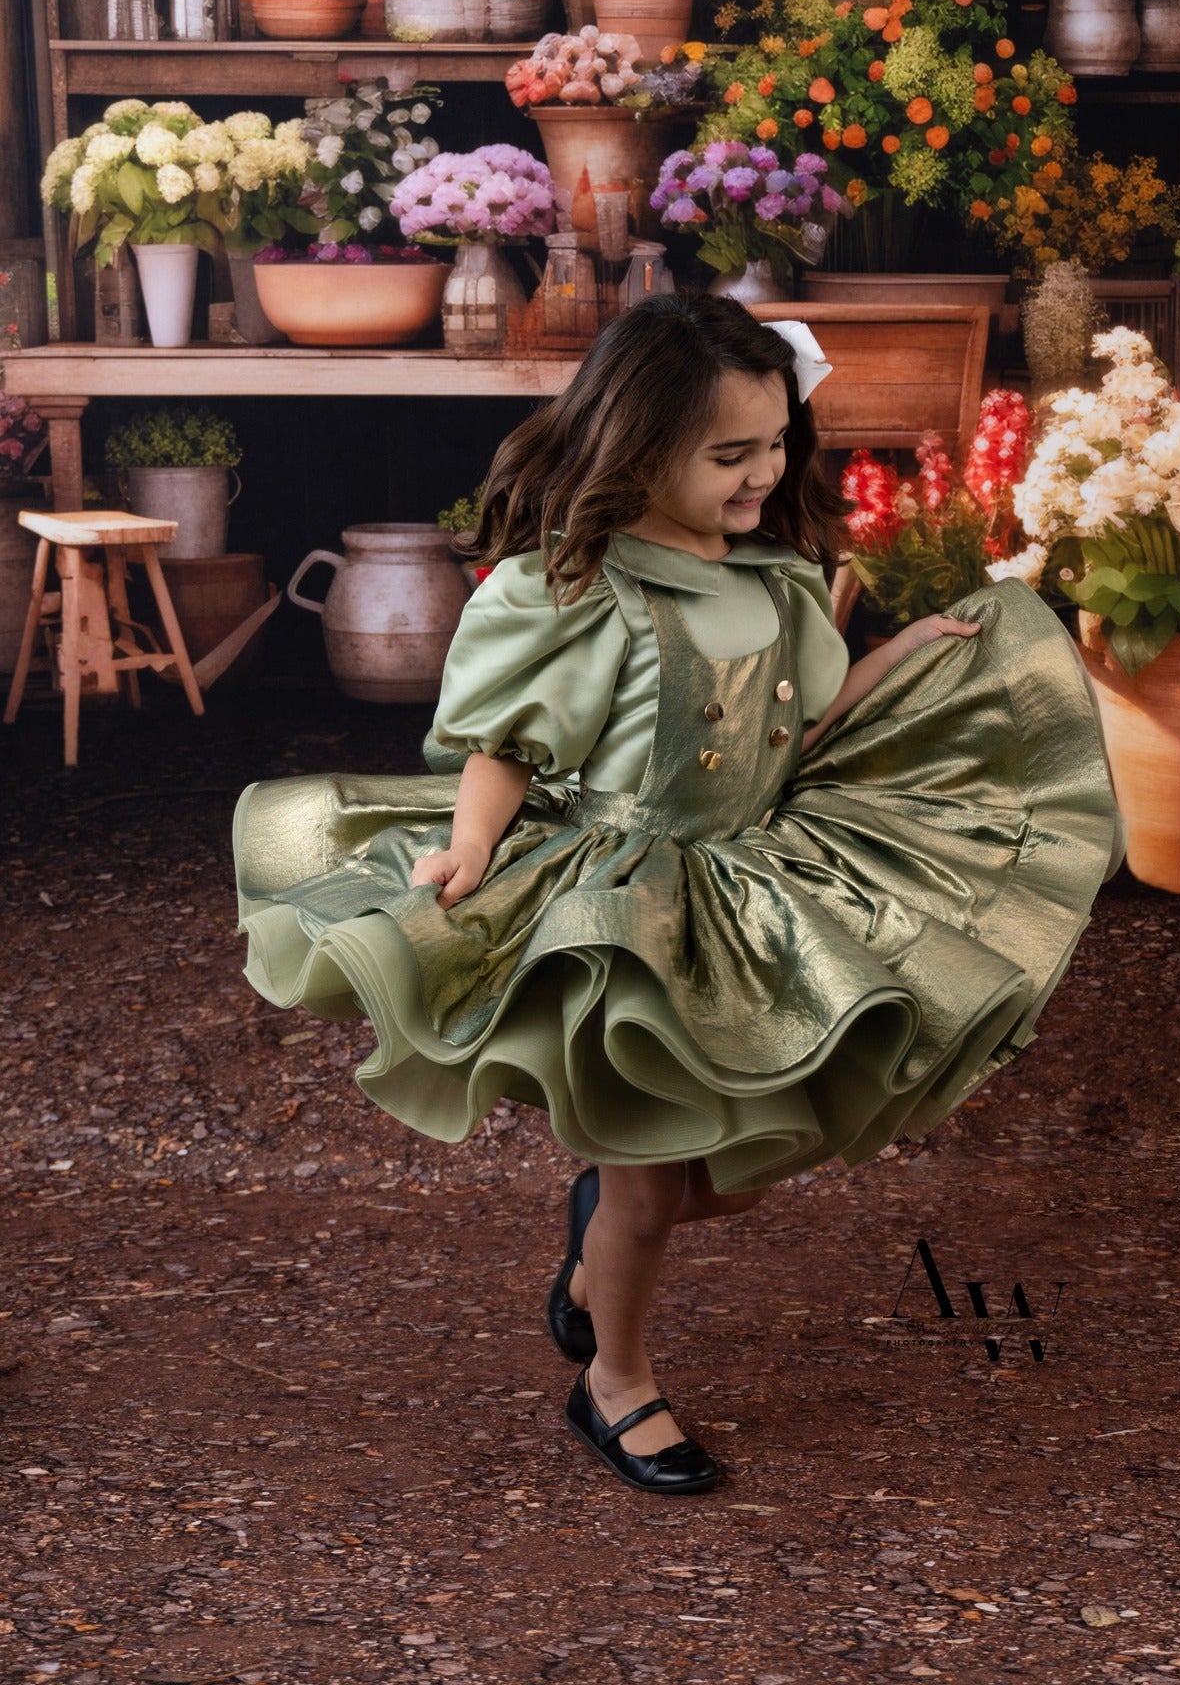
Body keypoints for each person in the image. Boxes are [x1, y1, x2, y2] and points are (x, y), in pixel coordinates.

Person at [233, 291, 1123, 1496]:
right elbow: (504, 742)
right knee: (653, 1184)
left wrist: (894, 661)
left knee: (747, 1156)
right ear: (641, 445)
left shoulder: (772, 570)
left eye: (775, 445)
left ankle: (600, 1244)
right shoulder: (586, 585)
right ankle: (616, 1381)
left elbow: (794, 723)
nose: (764, 473)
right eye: (731, 454)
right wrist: (473, 847)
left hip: (746, 889)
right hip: (624, 900)